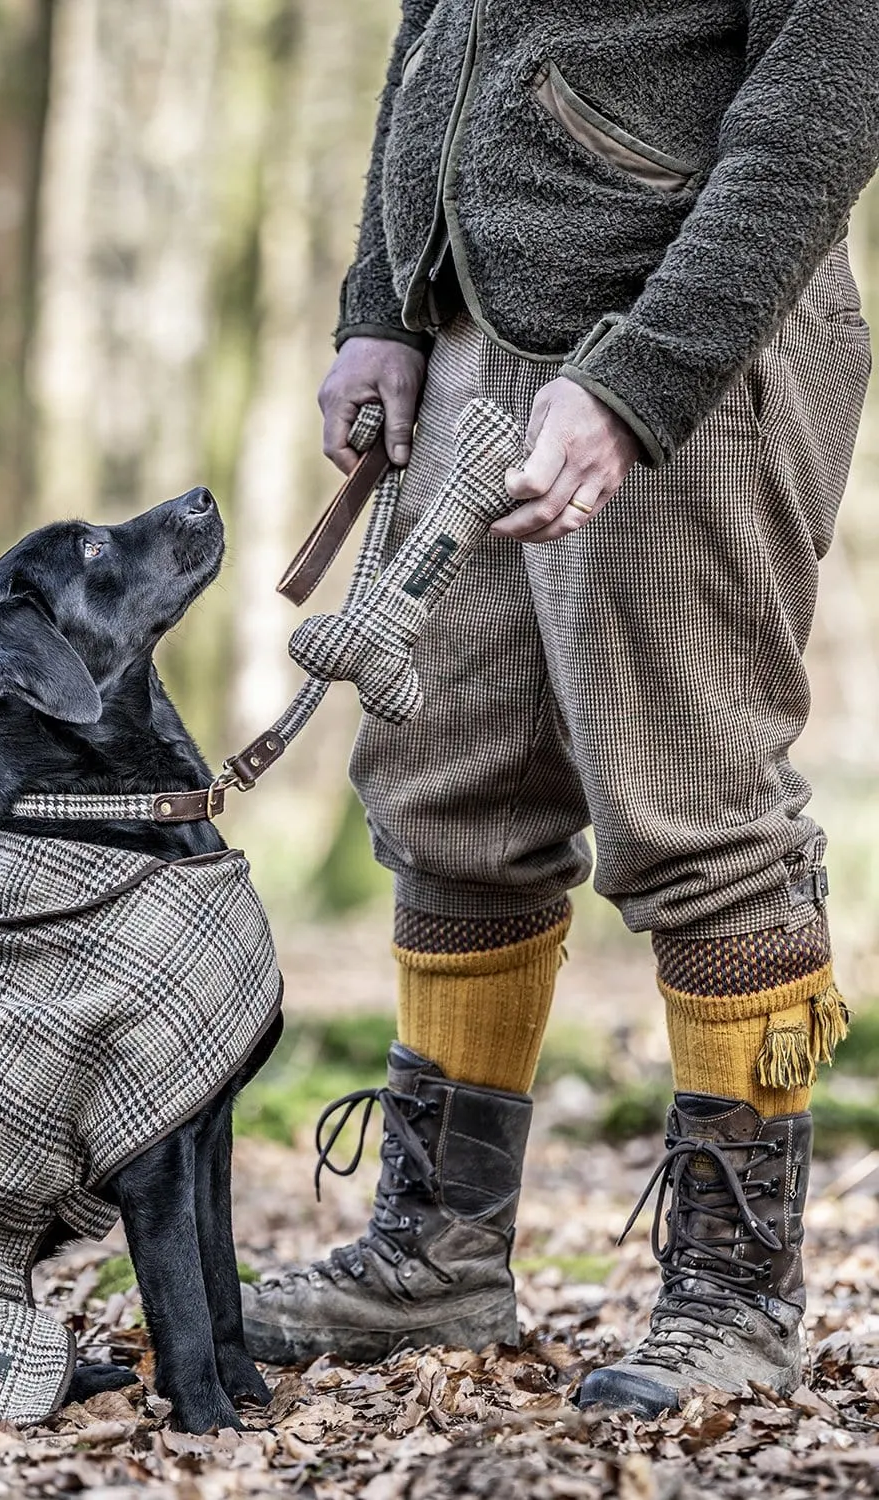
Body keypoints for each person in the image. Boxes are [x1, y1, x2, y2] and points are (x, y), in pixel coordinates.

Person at [241, 0, 879, 1415]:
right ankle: (437, 1252)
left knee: (697, 811)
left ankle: (737, 1293)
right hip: (470, 343)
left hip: (688, 340)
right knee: (447, 796)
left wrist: (641, 378)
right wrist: (381, 312)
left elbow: (830, 82)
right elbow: (438, 43)